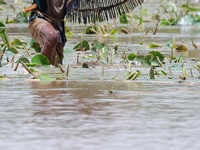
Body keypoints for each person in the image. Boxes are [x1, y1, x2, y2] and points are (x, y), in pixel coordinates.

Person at [28, 0, 144, 65]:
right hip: (39, 18)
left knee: (56, 66)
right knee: (51, 36)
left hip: (58, 26)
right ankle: (40, 70)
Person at [28, 0, 68, 65]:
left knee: (56, 64)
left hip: (58, 24)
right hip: (39, 17)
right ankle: (44, 69)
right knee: (51, 36)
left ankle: (44, 70)